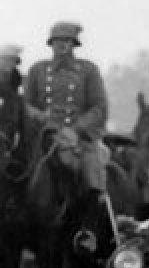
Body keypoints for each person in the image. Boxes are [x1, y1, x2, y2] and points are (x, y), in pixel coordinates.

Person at [25, 21, 109, 192]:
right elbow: (25, 104)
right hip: (43, 135)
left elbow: (99, 107)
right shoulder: (37, 70)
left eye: (67, 40)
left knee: (92, 177)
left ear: (74, 44)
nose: (62, 44)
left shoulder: (88, 70)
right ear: (51, 43)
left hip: (78, 138)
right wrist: (40, 116)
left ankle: (96, 204)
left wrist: (76, 129)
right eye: (57, 40)